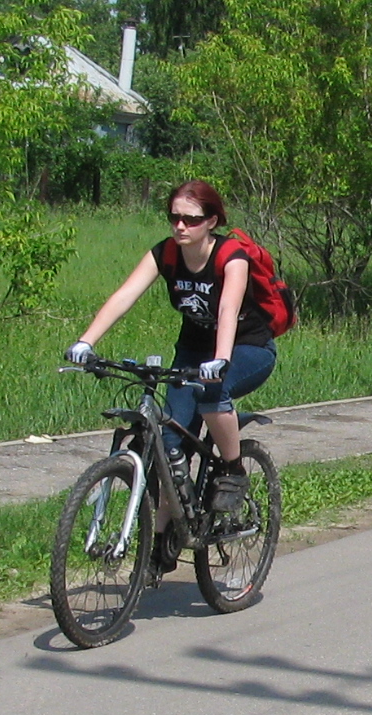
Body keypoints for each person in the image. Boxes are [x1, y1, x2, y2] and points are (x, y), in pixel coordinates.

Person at [69, 178, 274, 508]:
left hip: (246, 347)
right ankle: (166, 535)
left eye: (191, 220)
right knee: (170, 444)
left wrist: (221, 359)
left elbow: (227, 309)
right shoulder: (165, 253)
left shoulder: (230, 256)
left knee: (213, 395)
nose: (180, 226)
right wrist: (85, 342)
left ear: (212, 221)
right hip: (193, 350)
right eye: (174, 218)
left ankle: (233, 470)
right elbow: (125, 296)